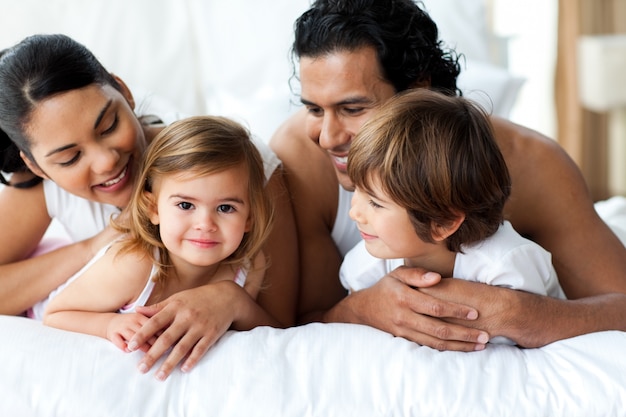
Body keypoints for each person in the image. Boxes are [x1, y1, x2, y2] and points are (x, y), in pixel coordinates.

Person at [270, 0, 626, 351]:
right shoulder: (298, 159)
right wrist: (361, 309)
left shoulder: (530, 163)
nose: (328, 137)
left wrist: (522, 313)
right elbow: (291, 323)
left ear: (419, 89)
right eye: (314, 109)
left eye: (353, 108)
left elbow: (620, 305)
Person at [0, 34, 298, 379]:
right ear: (37, 167)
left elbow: (284, 324)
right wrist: (99, 243)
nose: (106, 162)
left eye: (109, 126)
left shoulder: (237, 167)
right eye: (70, 158)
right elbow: (56, 311)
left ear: (125, 92)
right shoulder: (46, 188)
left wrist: (229, 299)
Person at [38, 116, 278, 379]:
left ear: (249, 218)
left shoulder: (250, 264)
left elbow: (265, 333)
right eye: (186, 205)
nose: (205, 224)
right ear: (153, 208)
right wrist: (109, 323)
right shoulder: (132, 264)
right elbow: (55, 313)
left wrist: (238, 302)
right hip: (60, 294)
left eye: (225, 208)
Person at [341, 89, 566, 345]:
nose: (354, 212)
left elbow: (534, 336)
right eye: (355, 189)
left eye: (375, 203)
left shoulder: (506, 267)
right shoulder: (370, 260)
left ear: (443, 223)